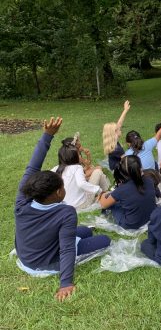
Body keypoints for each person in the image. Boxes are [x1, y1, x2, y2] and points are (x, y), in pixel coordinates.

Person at [15, 117, 110, 301]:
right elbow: (67, 249)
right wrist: (65, 283)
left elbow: (32, 167)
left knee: (84, 231)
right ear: (59, 192)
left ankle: (83, 234)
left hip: (26, 256)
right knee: (104, 240)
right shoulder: (65, 212)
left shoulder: (23, 199)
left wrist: (47, 136)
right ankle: (66, 273)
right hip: (45, 263)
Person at [98, 156, 157, 230]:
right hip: (151, 217)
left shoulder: (122, 190)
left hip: (131, 225)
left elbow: (103, 205)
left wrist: (103, 194)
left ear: (123, 173)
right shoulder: (149, 180)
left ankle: (104, 216)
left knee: (113, 204)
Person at [52, 139, 104, 209]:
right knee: (97, 172)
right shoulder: (77, 167)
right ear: (74, 156)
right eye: (78, 154)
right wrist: (99, 190)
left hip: (64, 205)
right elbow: (81, 183)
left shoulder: (56, 168)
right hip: (81, 204)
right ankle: (106, 193)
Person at [103, 100, 130, 170]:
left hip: (114, 165)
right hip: (118, 171)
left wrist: (125, 110)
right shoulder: (117, 149)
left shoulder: (112, 143)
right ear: (114, 133)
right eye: (119, 129)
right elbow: (127, 162)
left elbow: (119, 123)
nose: (120, 128)